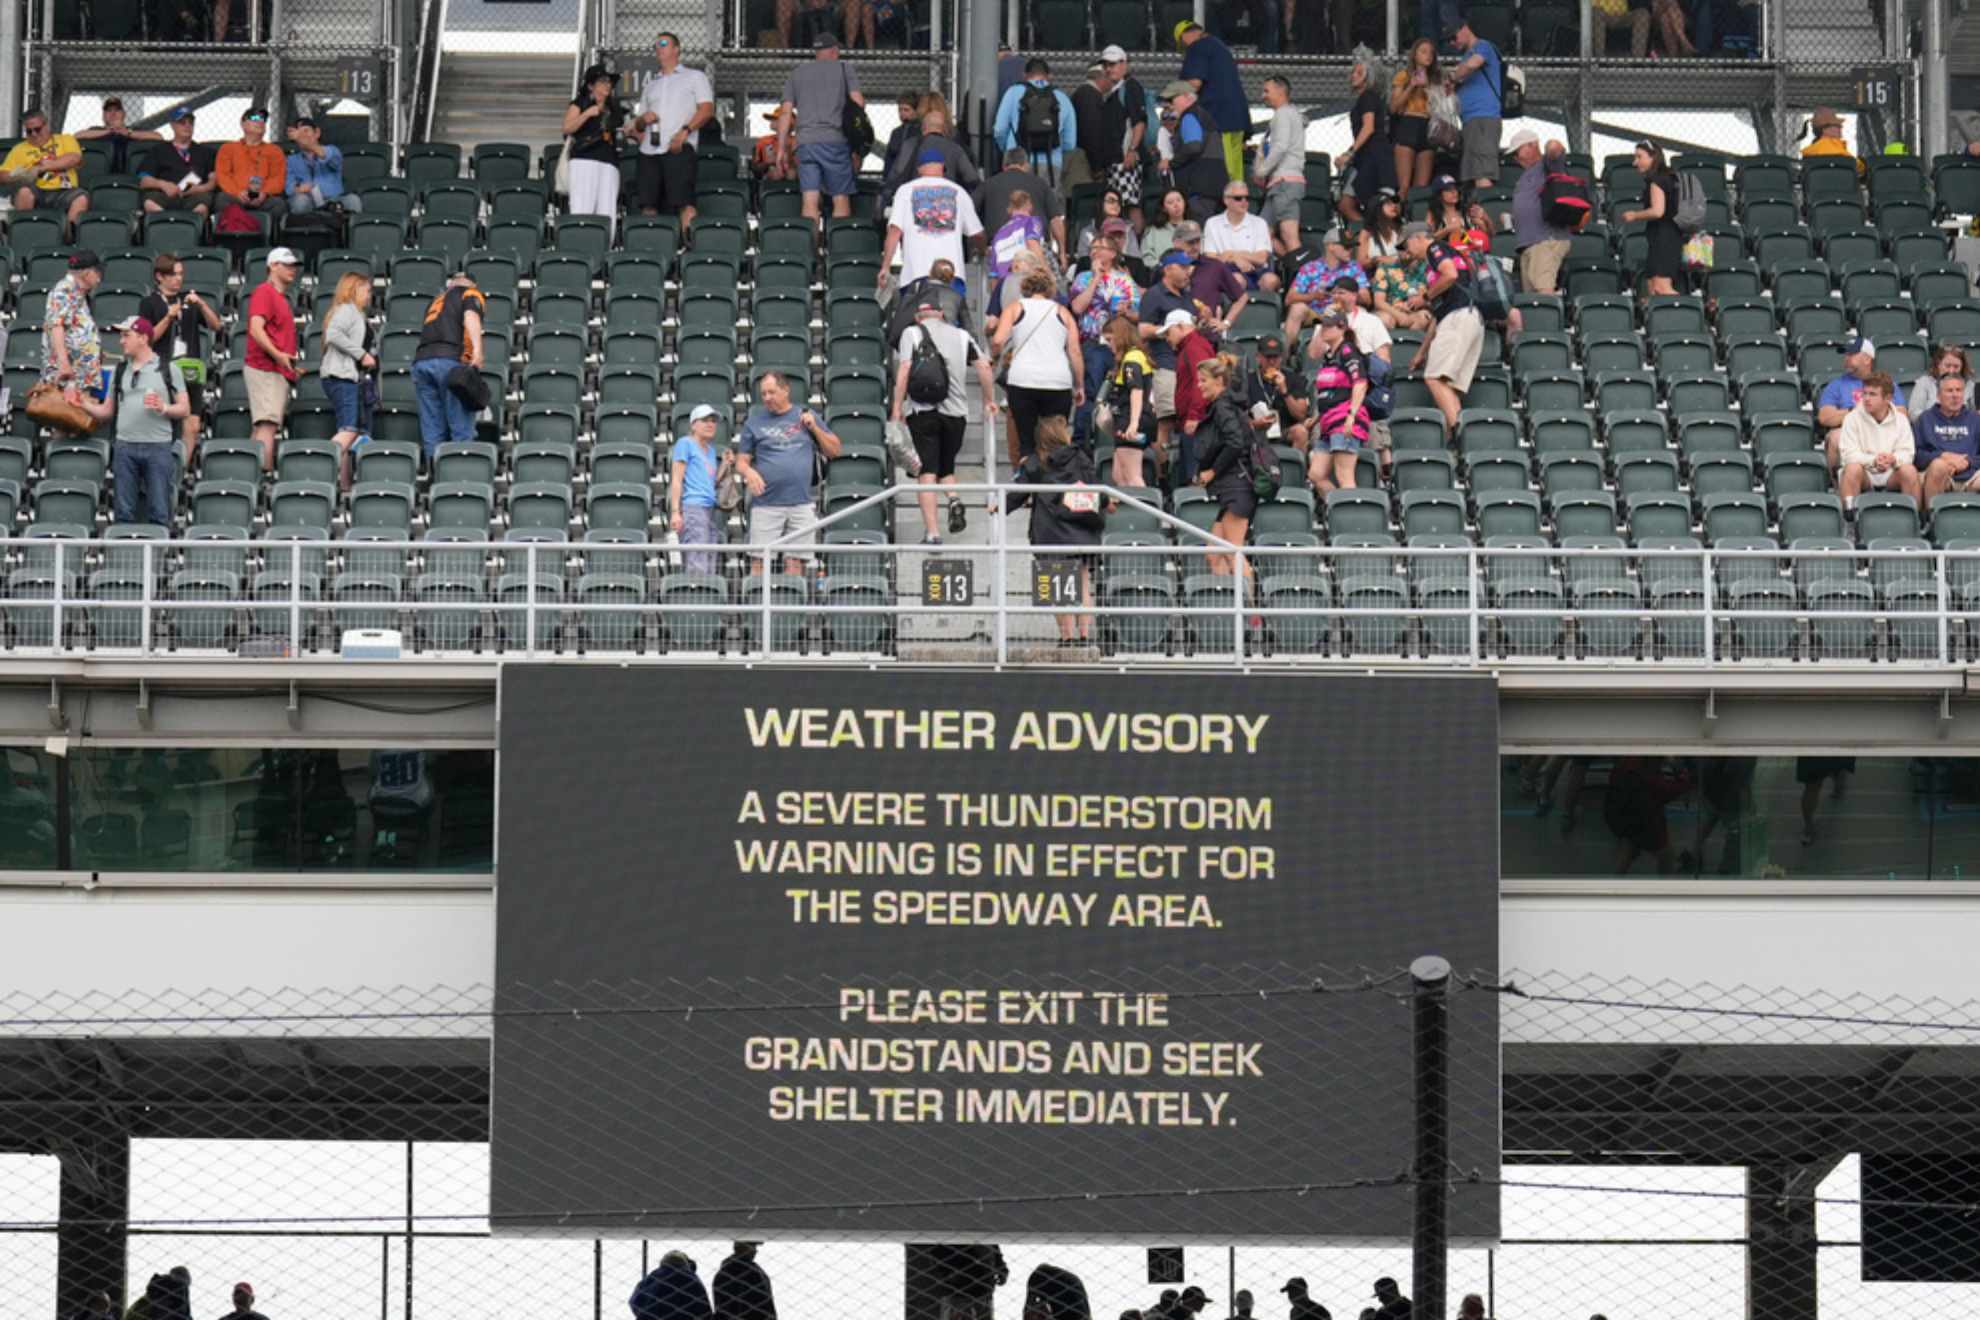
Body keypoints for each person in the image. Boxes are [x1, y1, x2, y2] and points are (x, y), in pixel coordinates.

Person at [892, 293, 996, 543]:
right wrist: (988, 400)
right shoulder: (962, 335)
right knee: (945, 464)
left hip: (923, 410)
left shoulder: (912, 333)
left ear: (918, 317)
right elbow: (984, 367)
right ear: (941, 313)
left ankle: (932, 532)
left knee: (927, 470)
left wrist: (897, 406)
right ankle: (953, 498)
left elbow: (905, 369)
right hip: (956, 413)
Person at [80, 317, 189, 527]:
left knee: (159, 511)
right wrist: (81, 404)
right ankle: (125, 559)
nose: (121, 341)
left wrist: (164, 407)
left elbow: (185, 408)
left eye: (126, 335)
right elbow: (106, 412)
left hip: (158, 447)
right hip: (124, 447)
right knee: (123, 512)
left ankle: (159, 558)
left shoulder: (169, 369)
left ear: (143, 338)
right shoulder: (120, 371)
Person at [1006, 415, 1102, 648]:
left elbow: (1019, 492)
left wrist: (1000, 506)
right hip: (1082, 530)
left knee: (1058, 587)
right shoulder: (1080, 457)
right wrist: (1107, 502)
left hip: (1050, 533)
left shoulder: (1037, 462)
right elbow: (1097, 487)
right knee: (1083, 585)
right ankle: (1083, 636)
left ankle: (1066, 637)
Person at [738, 371, 842, 574]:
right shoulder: (754, 423)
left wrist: (814, 429)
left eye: (772, 392)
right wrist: (749, 472)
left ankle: (790, 604)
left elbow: (835, 450)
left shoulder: (806, 416)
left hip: (800, 503)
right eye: (764, 393)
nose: (767, 398)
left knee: (795, 562)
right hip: (765, 504)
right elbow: (741, 461)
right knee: (759, 561)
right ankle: (759, 604)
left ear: (785, 390)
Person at [136, 251, 226, 463]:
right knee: (162, 422)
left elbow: (216, 325)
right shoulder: (148, 303)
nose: (179, 279)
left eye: (181, 274)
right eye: (173, 275)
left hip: (189, 369)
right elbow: (148, 339)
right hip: (161, 369)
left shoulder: (189, 300)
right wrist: (168, 316)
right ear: (160, 276)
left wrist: (202, 304)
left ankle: (181, 469)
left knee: (192, 425)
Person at [992, 269, 1084, 460]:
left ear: (1025, 288)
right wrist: (1079, 385)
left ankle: (1028, 481)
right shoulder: (1062, 312)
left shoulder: (1015, 308)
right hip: (1057, 381)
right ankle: (1054, 484)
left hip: (1022, 379)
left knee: (1026, 442)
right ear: (1051, 289)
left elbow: (998, 340)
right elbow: (1074, 351)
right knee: (1055, 441)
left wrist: (994, 359)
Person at [1403, 221, 1482, 434]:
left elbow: (1451, 274)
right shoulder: (1438, 259)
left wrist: (1424, 297)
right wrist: (1422, 352)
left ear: (1417, 238)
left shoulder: (1434, 248)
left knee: (1434, 378)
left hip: (1460, 317)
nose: (1407, 251)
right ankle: (1458, 437)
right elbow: (1439, 316)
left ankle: (1460, 434)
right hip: (1464, 317)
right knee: (1446, 385)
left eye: (1406, 244)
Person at [779, 34, 865, 225]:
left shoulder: (797, 72)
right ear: (835, 51)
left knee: (809, 199)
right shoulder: (844, 68)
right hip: (835, 140)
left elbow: (785, 113)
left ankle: (811, 250)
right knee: (840, 197)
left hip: (806, 143)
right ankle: (839, 250)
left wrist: (781, 148)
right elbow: (858, 102)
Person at [632, 33, 715, 228]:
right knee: (648, 204)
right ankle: (650, 248)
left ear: (676, 49)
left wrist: (684, 132)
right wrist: (642, 120)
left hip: (678, 147)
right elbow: (638, 124)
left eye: (663, 43)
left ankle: (689, 247)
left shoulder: (695, 77)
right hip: (649, 150)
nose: (658, 48)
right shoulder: (651, 85)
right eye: (656, 45)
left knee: (684, 202)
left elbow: (707, 110)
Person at [411, 269, 487, 460]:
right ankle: (459, 477)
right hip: (450, 362)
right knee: (461, 428)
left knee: (432, 429)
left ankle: (435, 476)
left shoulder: (436, 300)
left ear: (452, 283)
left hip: (422, 363)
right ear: (472, 284)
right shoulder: (470, 293)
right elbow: (471, 316)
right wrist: (477, 350)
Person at [881, 151, 984, 288]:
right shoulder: (959, 192)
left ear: (919, 169)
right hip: (951, 274)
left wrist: (886, 267)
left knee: (916, 309)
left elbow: (895, 231)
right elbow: (976, 234)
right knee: (950, 308)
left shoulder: (905, 191)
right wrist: (982, 252)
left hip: (915, 274)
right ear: (942, 167)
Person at [243, 247, 302, 469]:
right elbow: (256, 329)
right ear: (272, 266)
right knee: (267, 426)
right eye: (286, 265)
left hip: (273, 368)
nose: (292, 270)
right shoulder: (265, 292)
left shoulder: (278, 297)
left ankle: (251, 475)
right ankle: (263, 476)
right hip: (266, 368)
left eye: (293, 266)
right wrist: (278, 356)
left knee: (262, 426)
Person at [1139, 250, 1197, 472]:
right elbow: (1143, 329)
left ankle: (1181, 472)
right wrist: (1169, 331)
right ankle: (1162, 475)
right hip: (1166, 365)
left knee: (1186, 421)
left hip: (1187, 366)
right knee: (1165, 422)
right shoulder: (1154, 295)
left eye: (1188, 267)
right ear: (1168, 269)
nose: (1187, 272)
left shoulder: (1186, 296)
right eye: (1182, 267)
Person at [319, 271, 375, 487]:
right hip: (341, 377)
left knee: (347, 430)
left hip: (345, 376)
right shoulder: (347, 310)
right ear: (355, 289)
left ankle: (343, 487)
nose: (369, 295)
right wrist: (361, 354)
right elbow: (334, 334)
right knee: (349, 430)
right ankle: (316, 464)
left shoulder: (352, 312)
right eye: (366, 290)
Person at [1070, 236, 1140, 409]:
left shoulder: (1125, 280)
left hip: (1120, 342)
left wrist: (1128, 312)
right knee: (1091, 389)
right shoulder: (1083, 278)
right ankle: (1083, 435)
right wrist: (1095, 278)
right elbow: (1077, 308)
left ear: (1113, 253)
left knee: (1118, 391)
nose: (1094, 251)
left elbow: (1138, 315)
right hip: (1093, 342)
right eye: (1092, 247)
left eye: (1100, 247)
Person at [1306, 308, 1370, 494]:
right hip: (1328, 422)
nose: (1323, 329)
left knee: (1345, 477)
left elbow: (1360, 383)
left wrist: (1351, 416)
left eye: (1328, 326)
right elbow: (1329, 392)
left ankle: (1353, 520)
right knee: (1316, 475)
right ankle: (1337, 512)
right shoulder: (1329, 356)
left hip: (1344, 420)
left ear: (1342, 327)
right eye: (1322, 325)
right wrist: (1316, 419)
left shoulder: (1347, 350)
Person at [1834, 371, 1920, 510]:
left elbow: (1908, 453)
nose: (1866, 399)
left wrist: (1893, 459)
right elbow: (1848, 455)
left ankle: (1913, 520)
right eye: (1865, 393)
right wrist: (1873, 460)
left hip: (1891, 472)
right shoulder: (1851, 418)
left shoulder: (1901, 420)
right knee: (1851, 469)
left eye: (1872, 394)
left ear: (1888, 398)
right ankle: (1849, 521)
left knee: (1909, 471)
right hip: (1864, 472)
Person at [1175, 20, 1246, 185]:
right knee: (1236, 177)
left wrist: (1174, 94)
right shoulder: (1220, 47)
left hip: (1218, 120)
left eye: (1182, 45)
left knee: (1223, 175)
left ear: (1184, 36)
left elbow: (1194, 83)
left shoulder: (1197, 47)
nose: (1185, 51)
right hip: (1237, 120)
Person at [4, 107, 89, 238]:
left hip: (63, 191)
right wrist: (22, 173)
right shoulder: (19, 149)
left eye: (37, 129)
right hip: (36, 189)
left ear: (46, 125)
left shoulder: (65, 140)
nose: (33, 134)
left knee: (81, 198)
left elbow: (74, 159)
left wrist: (41, 168)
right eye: (28, 131)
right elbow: (3, 174)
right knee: (24, 192)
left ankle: (68, 239)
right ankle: (23, 236)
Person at [670, 403, 734, 573]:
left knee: (708, 560)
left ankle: (705, 596)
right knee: (696, 562)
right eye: (705, 420)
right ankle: (695, 597)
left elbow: (709, 482)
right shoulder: (685, 443)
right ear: (693, 424)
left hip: (709, 509)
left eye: (713, 420)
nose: (710, 424)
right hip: (693, 508)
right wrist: (675, 512)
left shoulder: (711, 451)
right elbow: (677, 478)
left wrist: (725, 464)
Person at [563, 65, 624, 235]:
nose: (607, 85)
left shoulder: (614, 108)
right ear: (591, 86)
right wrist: (587, 114)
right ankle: (581, 246)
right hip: (585, 158)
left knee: (607, 209)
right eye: (602, 81)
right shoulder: (580, 103)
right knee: (583, 206)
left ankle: (604, 247)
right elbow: (567, 128)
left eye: (609, 82)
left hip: (609, 161)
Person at [977, 148, 1068, 262]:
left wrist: (980, 248)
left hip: (999, 251)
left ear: (1003, 166)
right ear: (1026, 165)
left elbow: (970, 212)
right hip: (1034, 250)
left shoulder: (988, 184)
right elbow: (1056, 220)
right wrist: (1062, 253)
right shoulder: (1040, 183)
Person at [1509, 130, 1571, 295]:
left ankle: (1549, 321)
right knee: (1532, 300)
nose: (1515, 158)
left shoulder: (1547, 166)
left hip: (1545, 239)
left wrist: (1551, 145)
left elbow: (1556, 150)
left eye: (1517, 152)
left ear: (1532, 145)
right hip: (1528, 243)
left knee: (1544, 293)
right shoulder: (1524, 176)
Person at [992, 58, 1077, 177]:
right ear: (1048, 76)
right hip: (1051, 165)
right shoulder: (1062, 98)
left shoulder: (1013, 93)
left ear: (1024, 75)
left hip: (1017, 163)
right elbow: (1070, 143)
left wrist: (1007, 150)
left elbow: (999, 130)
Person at [1447, 19, 1504, 192]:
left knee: (1482, 173)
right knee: (1473, 173)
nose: (1452, 43)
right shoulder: (1465, 56)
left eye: (1453, 36)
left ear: (1465, 28)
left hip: (1483, 117)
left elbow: (1474, 64)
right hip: (1470, 119)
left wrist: (1453, 77)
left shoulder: (1483, 46)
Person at [1621, 140, 1683, 298]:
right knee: (1653, 288)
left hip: (1664, 239)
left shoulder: (1657, 180)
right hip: (1668, 237)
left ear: (1653, 157)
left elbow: (1657, 211)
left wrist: (1634, 215)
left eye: (1639, 157)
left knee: (1661, 288)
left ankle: (1688, 314)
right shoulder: (1671, 177)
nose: (1635, 162)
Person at [41, 250, 104, 400]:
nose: (99, 279)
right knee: (66, 418)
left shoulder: (78, 292)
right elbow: (56, 326)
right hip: (68, 375)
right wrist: (63, 363)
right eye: (98, 273)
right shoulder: (65, 289)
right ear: (87, 273)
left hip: (80, 375)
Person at [1160, 80, 1227, 220]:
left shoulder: (1189, 116)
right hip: (1214, 186)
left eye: (1172, 99)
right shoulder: (1203, 115)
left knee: (1199, 231)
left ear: (1187, 96)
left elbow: (1193, 146)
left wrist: (1171, 163)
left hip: (1199, 188)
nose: (1169, 105)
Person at [1339, 60, 1394, 228]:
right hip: (1367, 157)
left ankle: (1371, 233)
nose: (1353, 76)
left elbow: (1368, 127)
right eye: (1353, 72)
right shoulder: (1366, 98)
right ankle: (1370, 231)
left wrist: (1350, 153)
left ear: (1369, 78)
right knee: (1347, 204)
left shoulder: (1368, 97)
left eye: (1359, 73)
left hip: (1373, 157)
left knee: (1361, 204)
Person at [1101, 314, 1153, 488]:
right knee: (1119, 475)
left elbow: (1136, 391)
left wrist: (1133, 424)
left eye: (1110, 339)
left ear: (1120, 336)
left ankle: (1146, 512)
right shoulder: (1134, 357)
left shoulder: (1132, 359)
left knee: (1132, 476)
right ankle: (1129, 513)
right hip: (1127, 418)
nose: (1108, 345)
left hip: (1130, 419)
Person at [1254, 76, 1305, 255]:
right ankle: (1291, 266)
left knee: (1289, 234)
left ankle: (1303, 278)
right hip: (1278, 184)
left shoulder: (1284, 113)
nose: (1263, 96)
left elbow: (1280, 147)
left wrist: (1261, 171)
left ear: (1280, 91)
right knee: (1262, 233)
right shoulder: (1286, 114)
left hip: (1285, 182)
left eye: (1267, 91)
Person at [1167, 308, 1219, 483]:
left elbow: (1203, 383)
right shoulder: (1193, 346)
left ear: (1181, 327)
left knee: (1194, 478)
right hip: (1193, 422)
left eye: (1169, 332)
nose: (1167, 338)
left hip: (1197, 424)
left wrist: (1194, 416)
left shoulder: (1193, 347)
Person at [1914, 374, 1980, 510]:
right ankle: (1932, 520)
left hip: (1970, 475)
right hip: (1937, 475)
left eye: (1959, 390)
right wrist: (1943, 457)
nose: (1955, 395)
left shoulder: (1975, 419)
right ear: (1938, 396)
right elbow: (1916, 456)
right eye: (1949, 391)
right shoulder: (1925, 419)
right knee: (1939, 466)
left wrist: (1968, 462)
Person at [139, 108, 218, 216]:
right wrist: (163, 185)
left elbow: (213, 181)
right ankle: (165, 227)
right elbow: (144, 181)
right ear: (172, 125)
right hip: (166, 194)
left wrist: (199, 189)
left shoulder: (206, 152)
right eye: (182, 122)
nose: (187, 126)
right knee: (149, 202)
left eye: (190, 123)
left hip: (195, 195)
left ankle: (190, 229)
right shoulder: (159, 150)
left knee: (203, 205)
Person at [214, 106, 288, 222]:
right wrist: (237, 192)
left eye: (263, 119)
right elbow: (222, 176)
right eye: (255, 117)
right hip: (236, 196)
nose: (260, 121)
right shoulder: (228, 148)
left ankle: (264, 237)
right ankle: (232, 235)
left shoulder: (275, 150)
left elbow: (278, 178)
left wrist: (264, 193)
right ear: (243, 124)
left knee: (279, 204)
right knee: (222, 199)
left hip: (263, 198)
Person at [1072, 53, 1129, 198]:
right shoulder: (1088, 97)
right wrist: (1097, 166)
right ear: (1101, 78)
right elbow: (1092, 134)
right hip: (1088, 165)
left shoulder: (1085, 95)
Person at [1203, 182, 1278, 292]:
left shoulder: (1260, 223)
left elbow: (1261, 258)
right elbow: (1210, 259)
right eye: (1238, 198)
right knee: (1236, 279)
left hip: (1256, 270)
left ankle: (1265, 308)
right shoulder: (1212, 223)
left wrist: (1231, 254)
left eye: (1247, 198)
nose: (1244, 202)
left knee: (1271, 280)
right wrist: (1236, 260)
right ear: (1226, 200)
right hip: (1227, 270)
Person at [1178, 223, 1248, 340]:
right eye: (1190, 242)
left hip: (1206, 337)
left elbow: (1242, 297)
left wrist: (1226, 323)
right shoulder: (1168, 267)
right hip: (1177, 337)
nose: (1195, 246)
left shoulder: (1214, 266)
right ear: (1177, 243)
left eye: (1198, 241)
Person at [1817, 336, 1879, 468]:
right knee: (1834, 437)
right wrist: (1854, 411)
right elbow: (1824, 417)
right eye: (1846, 355)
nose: (1846, 358)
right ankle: (1836, 486)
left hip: (1879, 431)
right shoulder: (1836, 385)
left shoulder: (1884, 383)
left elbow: (1901, 413)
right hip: (1849, 434)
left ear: (1867, 359)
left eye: (1851, 354)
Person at [1285, 229, 1358, 338]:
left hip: (1343, 311)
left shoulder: (1354, 267)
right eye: (1346, 247)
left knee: (1361, 312)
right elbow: (1289, 299)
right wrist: (1313, 296)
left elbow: (1366, 298)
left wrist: (1345, 295)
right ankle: (1286, 352)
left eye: (1352, 247)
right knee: (1297, 308)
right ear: (1330, 246)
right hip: (1316, 313)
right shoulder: (1310, 268)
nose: (1350, 250)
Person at [986, 188, 1047, 318]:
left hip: (1005, 287)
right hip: (1027, 283)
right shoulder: (1032, 221)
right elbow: (1032, 244)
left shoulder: (999, 233)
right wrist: (1046, 275)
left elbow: (994, 274)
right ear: (1029, 205)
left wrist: (997, 302)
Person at [1389, 38, 1439, 195]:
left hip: (1428, 127)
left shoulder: (1436, 78)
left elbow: (1441, 107)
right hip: (1408, 125)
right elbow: (1394, 108)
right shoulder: (1403, 76)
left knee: (1421, 188)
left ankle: (1418, 215)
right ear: (1414, 55)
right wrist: (1412, 85)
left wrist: (1427, 88)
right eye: (1423, 51)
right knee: (1404, 186)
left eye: (1431, 52)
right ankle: (1401, 215)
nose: (1428, 55)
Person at [284, 116, 361, 217]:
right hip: (307, 200)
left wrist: (305, 141)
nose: (302, 136)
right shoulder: (291, 160)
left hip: (334, 200)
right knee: (300, 201)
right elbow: (289, 188)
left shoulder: (332, 150)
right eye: (299, 133)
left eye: (306, 131)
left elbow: (330, 158)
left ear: (317, 133)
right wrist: (299, 189)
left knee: (353, 200)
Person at [1245, 332, 1310, 450]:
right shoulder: (1248, 380)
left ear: (1281, 357)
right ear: (1258, 357)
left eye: (1275, 357)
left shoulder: (1293, 378)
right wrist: (1255, 423)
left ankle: (1294, 467)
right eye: (1267, 357)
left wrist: (1285, 391)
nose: (1271, 362)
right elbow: (1237, 415)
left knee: (1301, 432)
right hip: (1256, 431)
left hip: (1284, 431)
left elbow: (1301, 415)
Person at [75, 96, 160, 175]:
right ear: (103, 115)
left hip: (131, 177)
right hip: (101, 176)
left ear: (123, 114)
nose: (113, 113)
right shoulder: (96, 130)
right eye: (109, 110)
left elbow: (157, 137)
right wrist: (108, 131)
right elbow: (77, 135)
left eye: (117, 110)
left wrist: (128, 133)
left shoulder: (133, 131)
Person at [631, 1251, 714, 1320]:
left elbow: (634, 1301)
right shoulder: (692, 1279)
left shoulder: (652, 1278)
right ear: (686, 1263)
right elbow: (704, 1309)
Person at [1905, 344, 1977, 417]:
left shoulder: (1969, 385)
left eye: (1956, 367)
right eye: (1947, 366)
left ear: (1962, 367)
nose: (1951, 371)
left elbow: (1974, 416)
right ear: (1938, 364)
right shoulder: (1924, 382)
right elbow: (1914, 414)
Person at [712, 1242, 776, 1320]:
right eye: (753, 1246)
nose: (755, 1251)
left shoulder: (722, 1274)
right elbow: (768, 1309)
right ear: (742, 1247)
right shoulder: (756, 1274)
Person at [1075, 189, 1140, 259]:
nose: (1116, 205)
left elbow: (1135, 258)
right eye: (1111, 201)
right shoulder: (1087, 232)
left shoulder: (1128, 230)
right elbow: (1083, 260)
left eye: (1119, 202)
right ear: (1101, 204)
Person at [1359, 186, 1406, 275]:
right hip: (1377, 277)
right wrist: (1377, 260)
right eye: (1388, 203)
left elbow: (1407, 255)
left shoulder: (1402, 229)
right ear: (1377, 206)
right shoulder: (1366, 233)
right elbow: (1361, 263)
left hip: (1401, 274)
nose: (1394, 206)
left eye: (1396, 203)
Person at [1802, 106, 1861, 172]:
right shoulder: (1833, 147)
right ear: (1824, 130)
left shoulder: (1811, 150)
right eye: (1837, 125)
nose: (1841, 127)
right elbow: (1853, 164)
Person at [1141, 188, 1190, 258]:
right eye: (1170, 202)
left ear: (1184, 202)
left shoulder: (1194, 227)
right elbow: (1147, 255)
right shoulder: (1153, 231)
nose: (1176, 205)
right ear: (1163, 208)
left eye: (1179, 200)